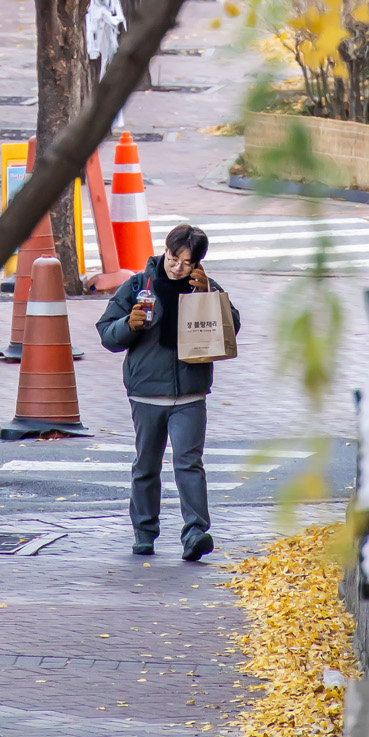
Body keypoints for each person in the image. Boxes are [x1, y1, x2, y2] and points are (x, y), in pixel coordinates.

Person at [97, 222, 241, 562]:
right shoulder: (136, 285)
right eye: (173, 258)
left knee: (189, 463)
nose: (177, 267)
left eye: (186, 262)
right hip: (146, 392)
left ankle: (195, 532)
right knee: (146, 465)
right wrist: (128, 326)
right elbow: (107, 333)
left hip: (190, 394)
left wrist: (209, 295)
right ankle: (144, 533)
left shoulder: (204, 286)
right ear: (165, 249)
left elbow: (232, 326)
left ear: (198, 263)